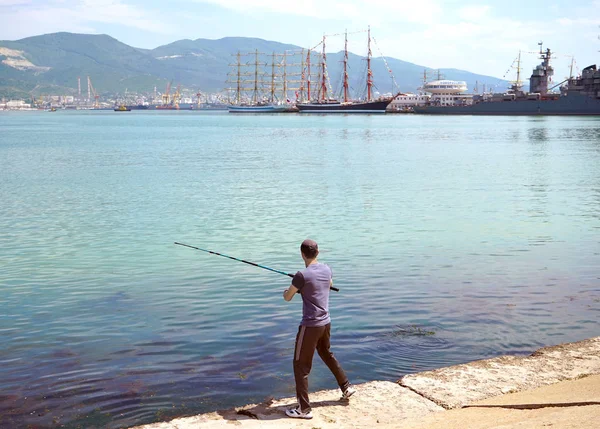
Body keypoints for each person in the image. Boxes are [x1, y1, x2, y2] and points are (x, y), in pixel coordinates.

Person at [282, 239, 356, 419]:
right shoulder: (326, 269)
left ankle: (304, 409)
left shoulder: (301, 275)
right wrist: (304, 286)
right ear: (318, 252)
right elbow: (327, 285)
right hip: (326, 323)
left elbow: (287, 297)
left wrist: (295, 286)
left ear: (302, 254)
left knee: (300, 365)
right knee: (326, 353)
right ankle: (346, 387)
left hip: (310, 326)